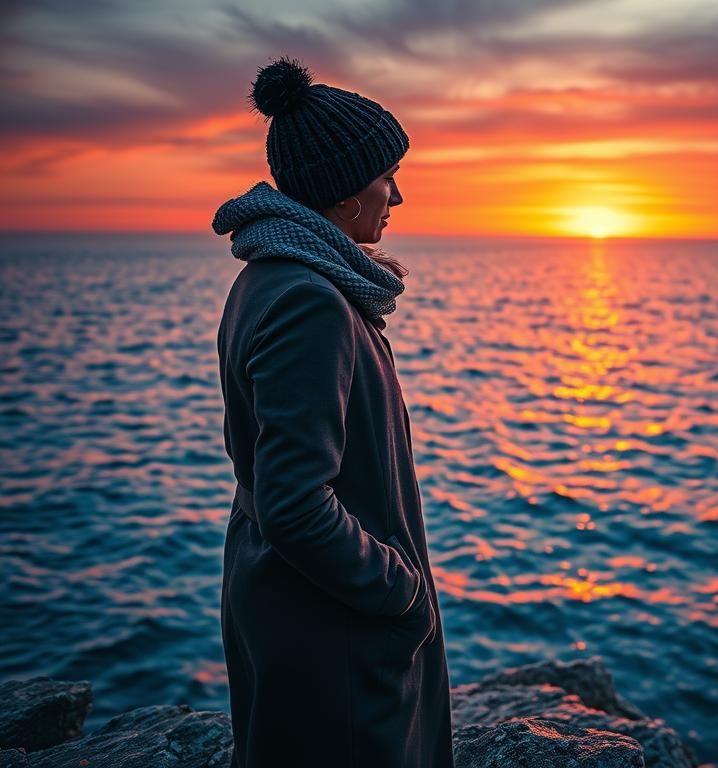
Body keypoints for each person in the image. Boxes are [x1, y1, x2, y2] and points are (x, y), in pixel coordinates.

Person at [212, 57, 454, 768]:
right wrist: (400, 593)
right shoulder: (309, 302)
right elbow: (293, 504)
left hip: (299, 607)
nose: (398, 195)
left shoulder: (270, 278)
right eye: (387, 176)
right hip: (330, 628)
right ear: (346, 191)